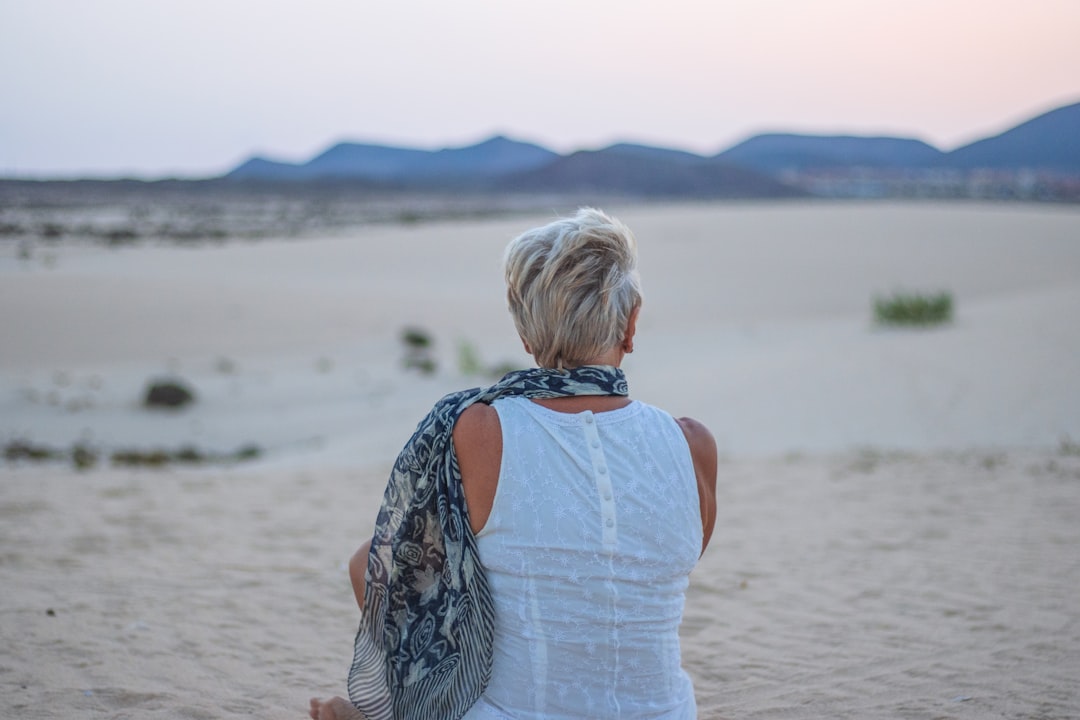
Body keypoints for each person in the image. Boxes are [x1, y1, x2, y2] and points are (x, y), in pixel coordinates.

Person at [311, 208, 717, 720]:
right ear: (631, 324)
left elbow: (379, 575)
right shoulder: (692, 445)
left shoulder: (480, 431)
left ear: (526, 337)